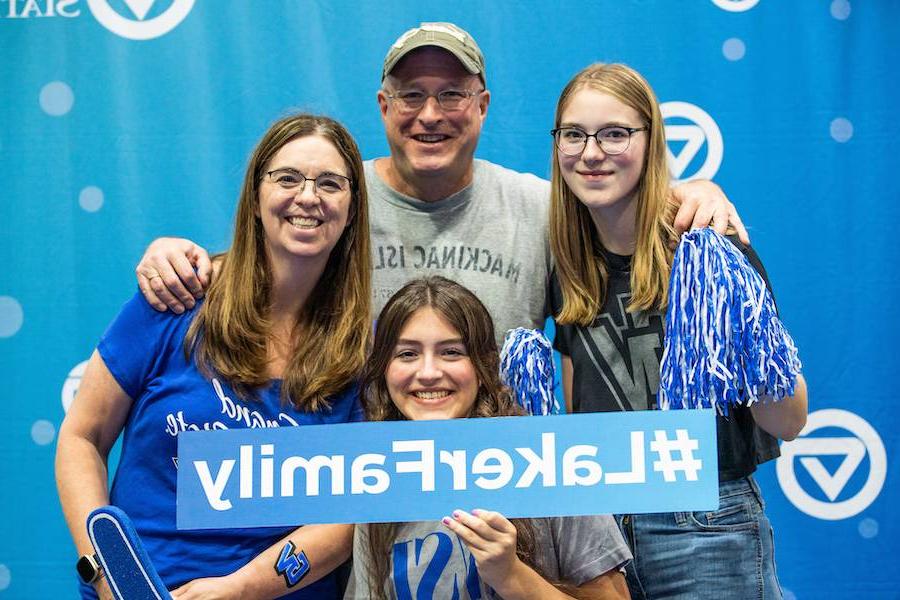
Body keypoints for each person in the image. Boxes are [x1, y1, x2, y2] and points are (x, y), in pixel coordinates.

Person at [131, 22, 748, 344]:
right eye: (411, 96)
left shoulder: (539, 205)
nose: (430, 115)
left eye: (451, 94)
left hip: (503, 497)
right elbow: (253, 273)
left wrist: (694, 192)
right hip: (355, 495)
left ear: (482, 106)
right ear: (382, 105)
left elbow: (616, 197)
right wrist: (175, 255)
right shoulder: (332, 200)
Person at [55, 113, 372, 599]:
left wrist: (243, 588)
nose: (308, 197)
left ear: (352, 208)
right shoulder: (176, 297)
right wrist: (104, 573)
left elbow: (352, 511)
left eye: (330, 183)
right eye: (287, 178)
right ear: (255, 196)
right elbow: (82, 437)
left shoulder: (363, 348)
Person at [548, 63, 808, 599]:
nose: (591, 152)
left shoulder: (709, 246)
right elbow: (579, 409)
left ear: (651, 140)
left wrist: (738, 329)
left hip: (704, 523)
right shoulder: (566, 261)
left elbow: (790, 419)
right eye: (574, 134)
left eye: (615, 133)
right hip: (601, 531)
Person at [345, 276, 632, 600]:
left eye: (451, 352)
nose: (427, 373)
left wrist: (512, 576)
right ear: (384, 369)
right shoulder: (375, 477)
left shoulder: (554, 462)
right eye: (408, 354)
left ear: (483, 366)